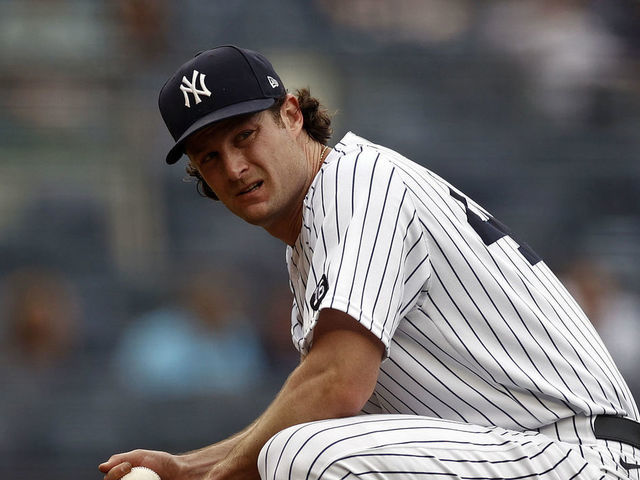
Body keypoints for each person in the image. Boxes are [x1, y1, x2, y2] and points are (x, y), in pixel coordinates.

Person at [100, 45, 640, 480]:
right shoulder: (311, 243)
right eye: (210, 157)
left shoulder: (354, 184)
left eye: (245, 136)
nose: (236, 167)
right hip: (515, 452)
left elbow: (337, 385)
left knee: (306, 454)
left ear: (290, 115)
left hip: (577, 455)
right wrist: (188, 469)